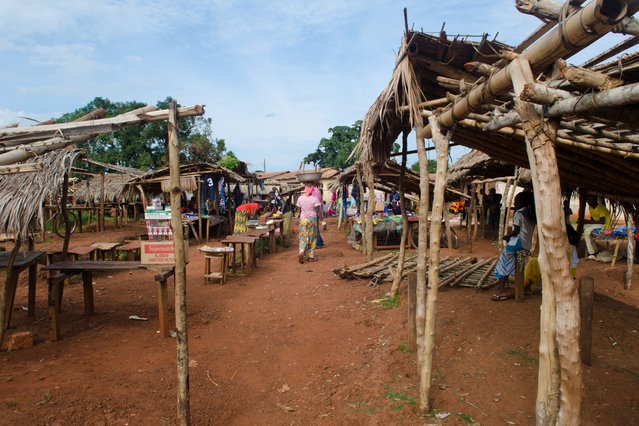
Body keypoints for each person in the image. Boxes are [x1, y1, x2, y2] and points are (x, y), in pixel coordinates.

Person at [492, 192, 535, 301]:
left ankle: (501, 289)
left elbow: (516, 231)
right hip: (527, 245)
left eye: (516, 201)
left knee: (503, 260)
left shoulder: (518, 213)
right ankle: (506, 285)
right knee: (509, 260)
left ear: (521, 202)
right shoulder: (531, 213)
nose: (515, 203)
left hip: (519, 242)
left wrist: (506, 236)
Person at [296, 185, 321, 263]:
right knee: (312, 238)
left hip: (303, 219)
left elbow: (298, 208)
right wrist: (323, 221)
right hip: (312, 220)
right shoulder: (315, 199)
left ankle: (301, 252)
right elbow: (318, 211)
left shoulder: (300, 198)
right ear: (312, 191)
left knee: (303, 236)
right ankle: (310, 256)